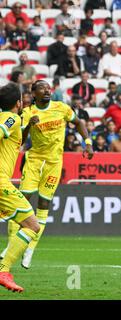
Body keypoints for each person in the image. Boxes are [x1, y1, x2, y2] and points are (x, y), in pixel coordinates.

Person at [1, 80, 93, 270]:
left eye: (48, 88)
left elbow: (79, 122)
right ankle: (11, 246)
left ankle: (30, 249)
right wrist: (28, 126)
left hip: (54, 162)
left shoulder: (61, 108)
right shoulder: (26, 113)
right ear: (33, 93)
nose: (47, 90)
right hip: (34, 160)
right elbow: (20, 139)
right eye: (42, 88)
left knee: (44, 203)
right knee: (24, 200)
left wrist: (88, 142)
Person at [0, 83, 41, 292]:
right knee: (32, 225)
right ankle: (3, 270)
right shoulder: (11, 118)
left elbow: (13, 139)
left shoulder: (14, 122)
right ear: (18, 103)